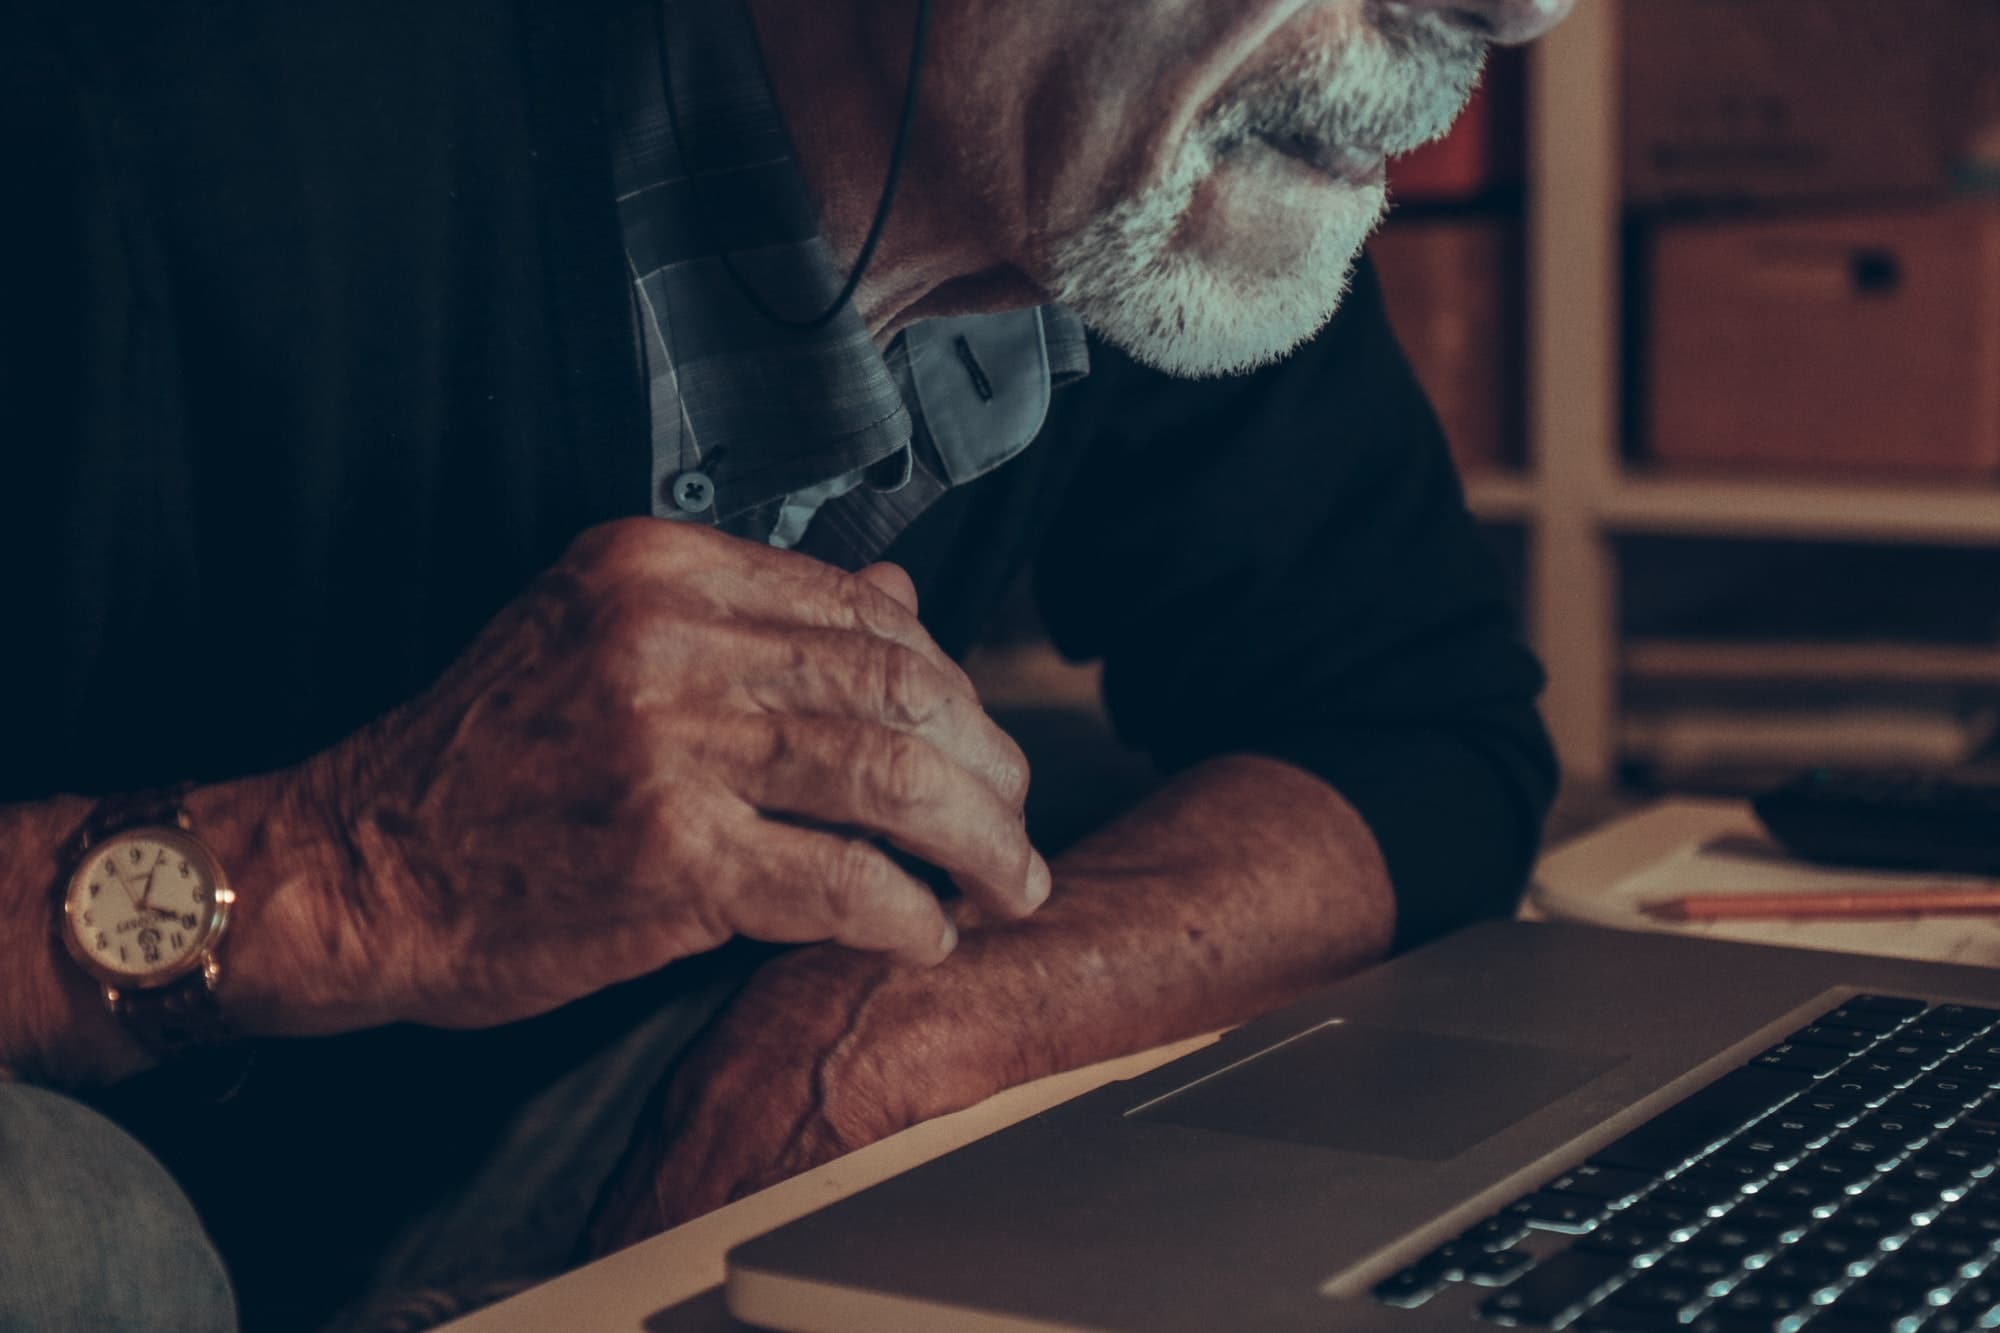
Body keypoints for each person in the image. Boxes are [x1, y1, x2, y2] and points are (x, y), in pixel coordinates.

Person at [0, 0, 1572, 1327]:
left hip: (525, 1158)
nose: (1524, 12)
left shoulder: (1106, 187)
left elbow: (1413, 724)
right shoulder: (112, 96)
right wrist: (344, 870)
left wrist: (911, 1035)